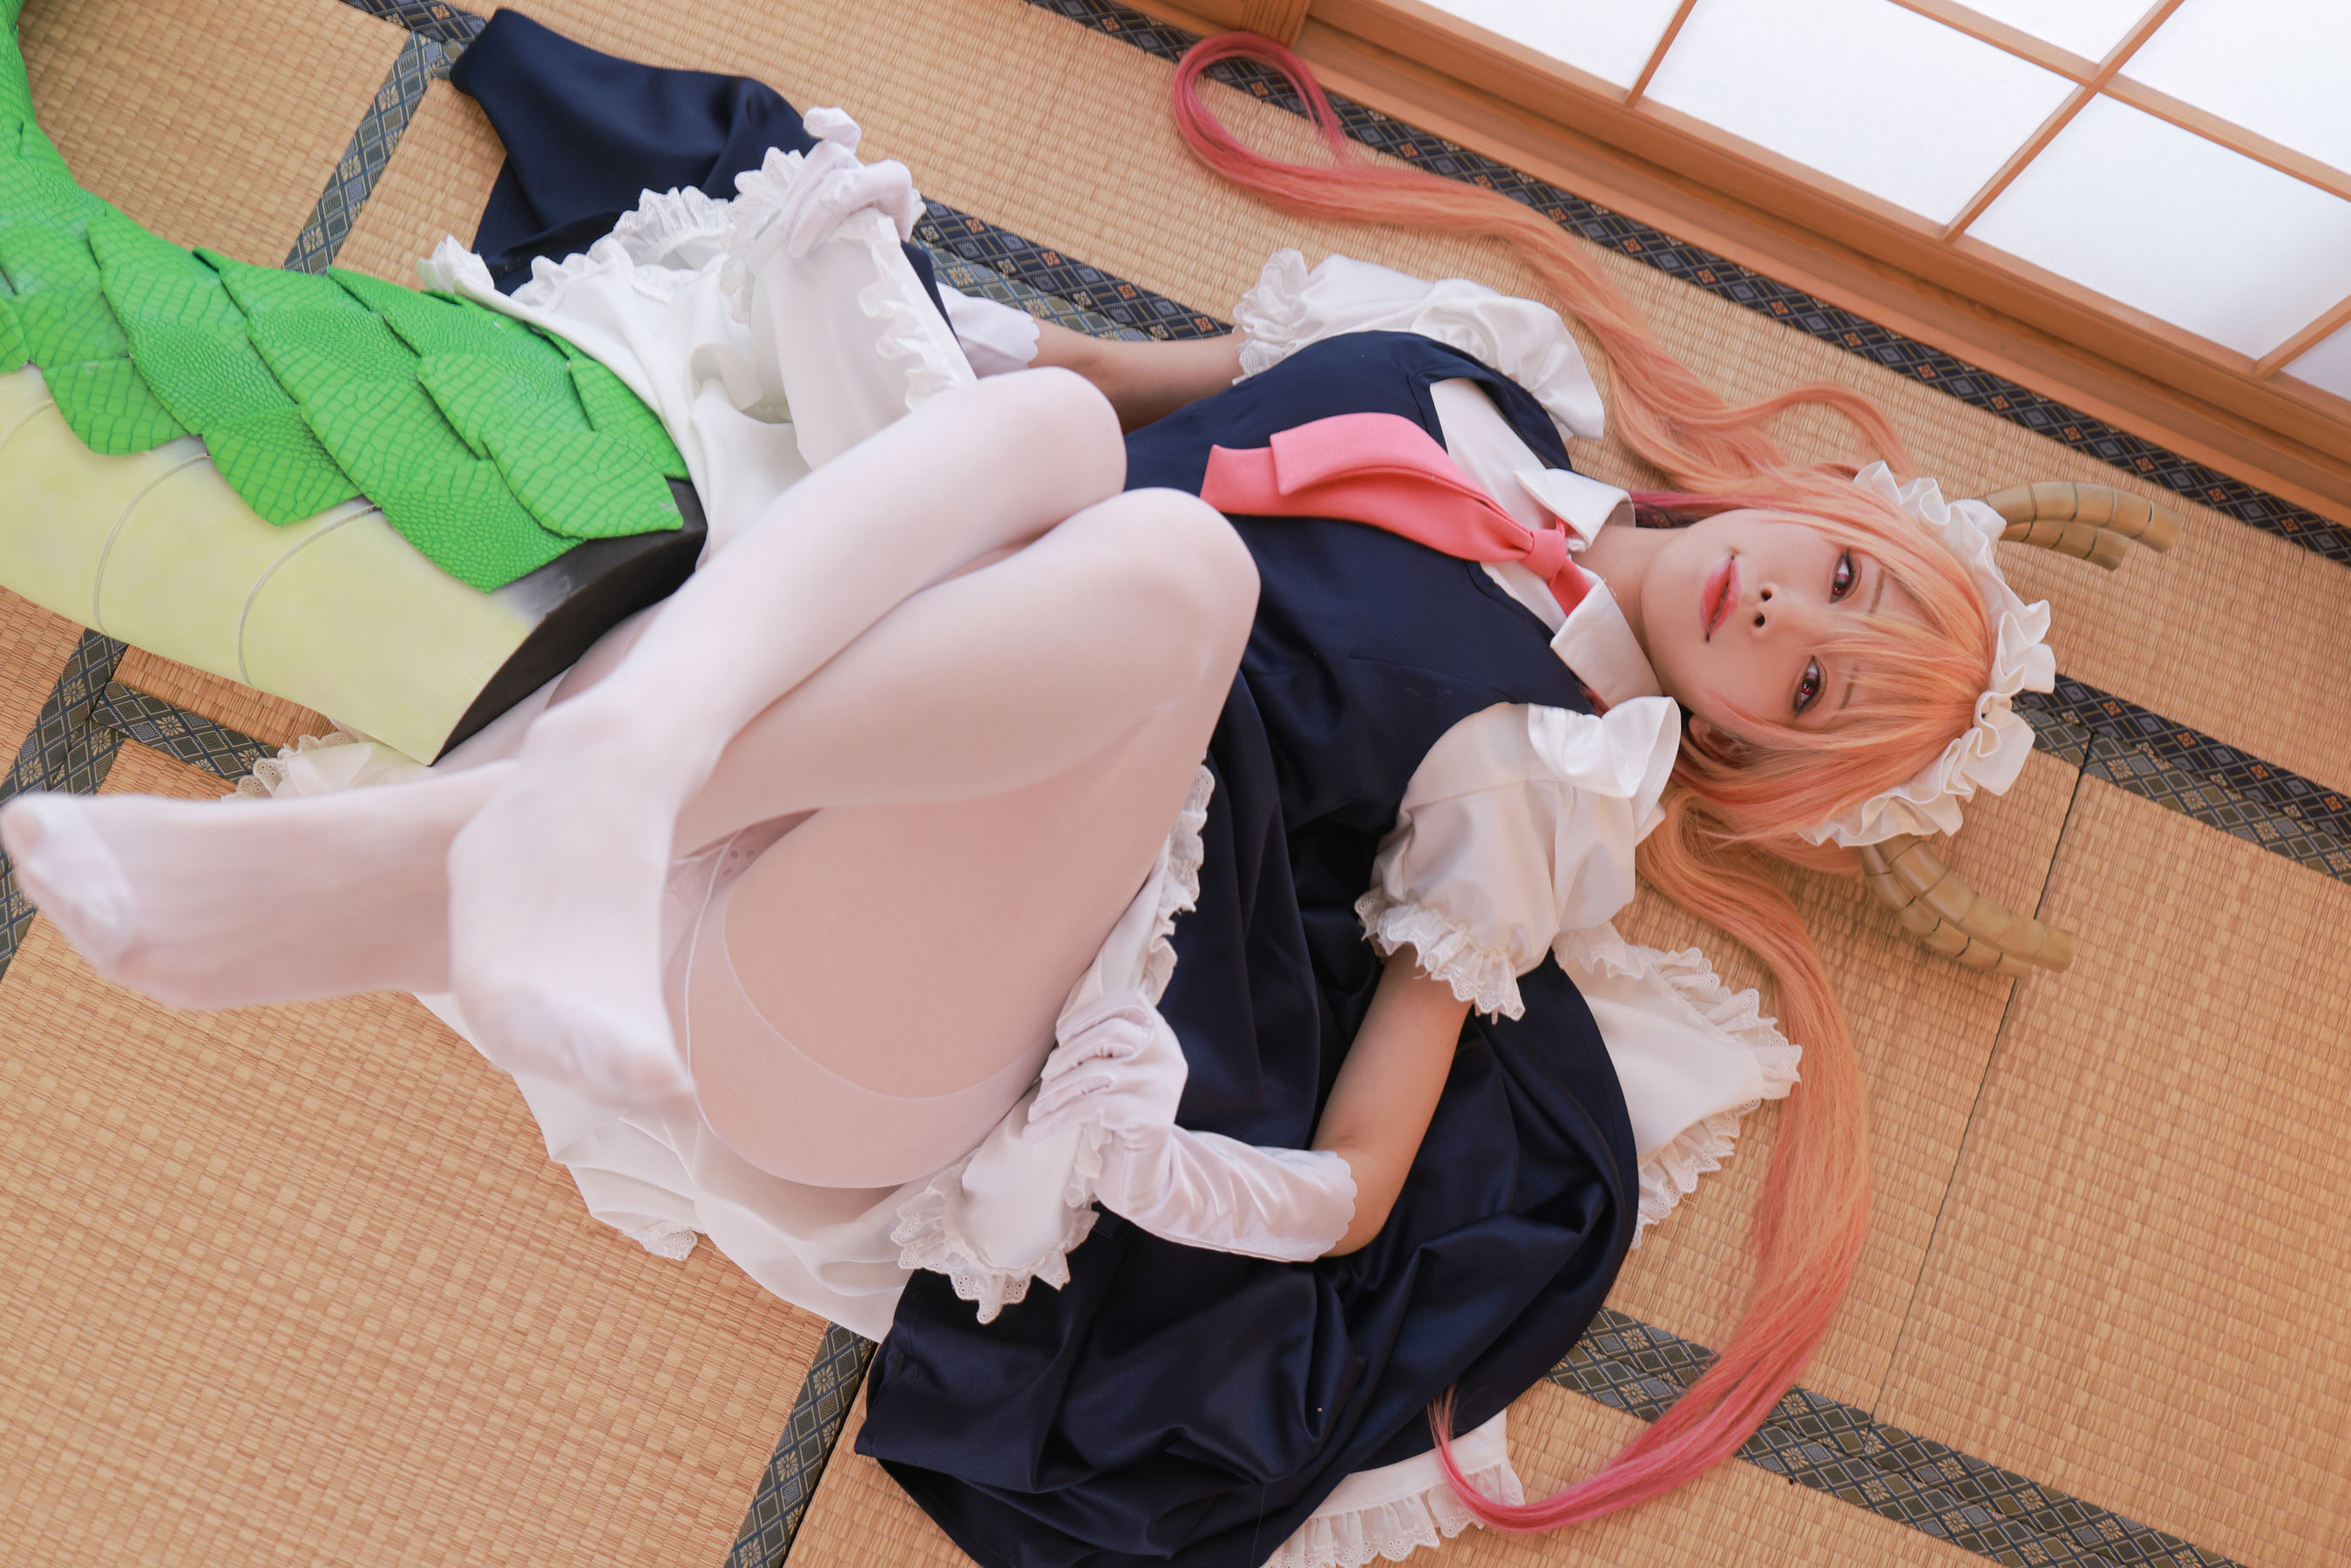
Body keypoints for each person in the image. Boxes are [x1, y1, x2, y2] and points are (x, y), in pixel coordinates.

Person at [0, 24, 2056, 1568]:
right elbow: (1086, 385)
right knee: (1084, 471)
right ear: (1820, 500)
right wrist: (874, 304)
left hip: (886, 1009)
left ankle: (566, 811)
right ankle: (543, 822)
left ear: (1755, 747)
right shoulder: (1472, 370)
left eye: (1807, 683)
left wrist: (1173, 1162)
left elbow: (1358, 1178)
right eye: (1840, 577)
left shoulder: (1548, 770)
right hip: (868, 652)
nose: (1782, 614)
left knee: (1169, 568)